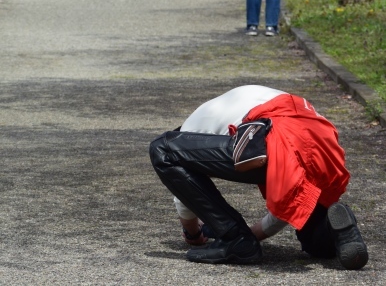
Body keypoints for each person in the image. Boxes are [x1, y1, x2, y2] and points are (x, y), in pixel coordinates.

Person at [149, 84, 368, 270]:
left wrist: (193, 233)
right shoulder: (240, 99)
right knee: (314, 244)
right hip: (321, 141)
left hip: (279, 137)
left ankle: (234, 239)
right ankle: (334, 229)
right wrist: (255, 233)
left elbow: (183, 193)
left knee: (164, 149)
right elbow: (290, 196)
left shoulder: (188, 129)